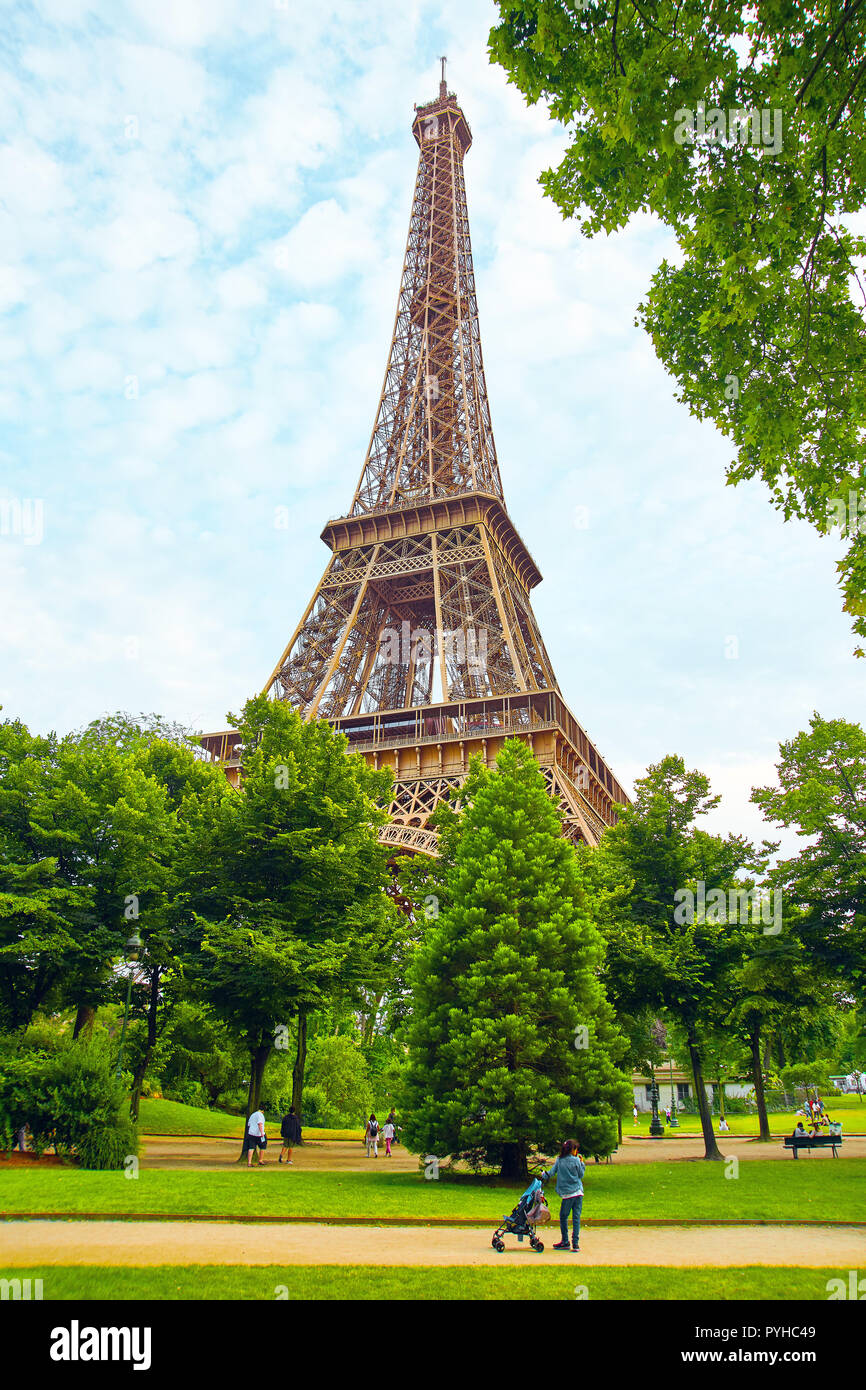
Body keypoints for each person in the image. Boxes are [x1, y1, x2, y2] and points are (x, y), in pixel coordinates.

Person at [546, 1139, 585, 1252]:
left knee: (563, 1216)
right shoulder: (576, 1160)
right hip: (578, 1192)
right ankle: (575, 1244)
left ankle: (565, 1241)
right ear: (572, 1149)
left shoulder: (560, 1160)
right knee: (576, 1218)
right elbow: (581, 1175)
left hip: (568, 1194)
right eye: (576, 1149)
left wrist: (544, 1175)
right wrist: (582, 1163)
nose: (577, 1151)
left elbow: (551, 1172)